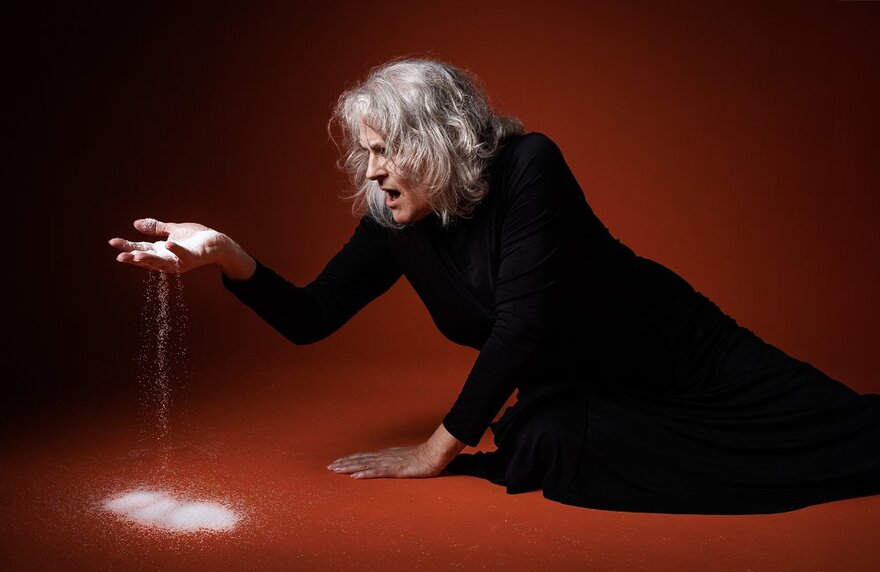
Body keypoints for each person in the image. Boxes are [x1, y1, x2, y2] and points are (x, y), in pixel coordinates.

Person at [109, 57, 880, 514]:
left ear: (437, 142)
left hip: (683, 357)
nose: (372, 172)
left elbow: (521, 326)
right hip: (591, 387)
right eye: (366, 153)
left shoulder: (527, 167)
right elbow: (312, 317)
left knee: (846, 436)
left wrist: (435, 451)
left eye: (387, 150)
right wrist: (228, 257)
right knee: (547, 445)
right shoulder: (394, 219)